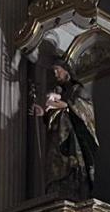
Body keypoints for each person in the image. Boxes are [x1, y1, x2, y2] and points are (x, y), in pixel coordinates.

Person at [32, 62, 98, 199]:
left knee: (73, 167)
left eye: (57, 70)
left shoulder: (78, 89)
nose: (55, 74)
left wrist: (67, 105)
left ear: (66, 70)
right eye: (54, 71)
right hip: (57, 140)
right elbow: (54, 114)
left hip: (73, 138)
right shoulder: (59, 92)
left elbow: (86, 111)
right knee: (56, 169)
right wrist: (43, 113)